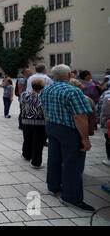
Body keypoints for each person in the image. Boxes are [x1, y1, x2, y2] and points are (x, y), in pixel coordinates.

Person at [40, 64, 95, 212]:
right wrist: (85, 139)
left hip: (52, 127)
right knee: (72, 164)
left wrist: (49, 125)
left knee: (54, 159)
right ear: (70, 74)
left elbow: (44, 110)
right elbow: (79, 116)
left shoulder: (46, 89)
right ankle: (71, 197)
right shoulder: (73, 91)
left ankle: (53, 187)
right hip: (69, 130)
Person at [20, 78, 47, 169]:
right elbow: (43, 111)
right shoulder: (42, 96)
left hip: (26, 121)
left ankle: (27, 154)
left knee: (27, 138)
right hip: (39, 122)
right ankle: (36, 162)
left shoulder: (24, 94)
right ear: (43, 86)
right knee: (38, 142)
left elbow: (22, 104)